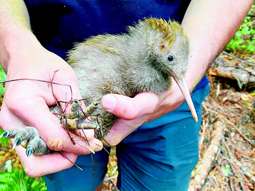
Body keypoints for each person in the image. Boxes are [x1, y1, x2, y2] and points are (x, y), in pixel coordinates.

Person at [0, 0, 252, 191]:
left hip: (171, 103)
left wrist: (184, 79)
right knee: (68, 171)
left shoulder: (168, 71)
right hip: (59, 84)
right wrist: (16, 47)